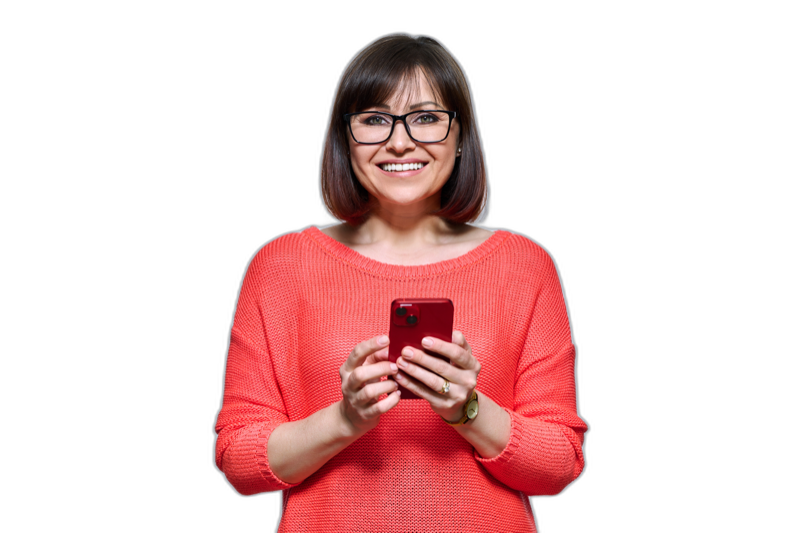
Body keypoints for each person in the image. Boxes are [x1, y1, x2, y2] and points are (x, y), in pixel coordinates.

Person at [213, 33, 587, 532]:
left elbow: (560, 463)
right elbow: (238, 459)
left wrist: (467, 410)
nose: (400, 141)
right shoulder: (280, 265)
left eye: (426, 118)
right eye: (374, 119)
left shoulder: (525, 265)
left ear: (461, 135)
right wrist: (345, 419)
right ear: (345, 139)